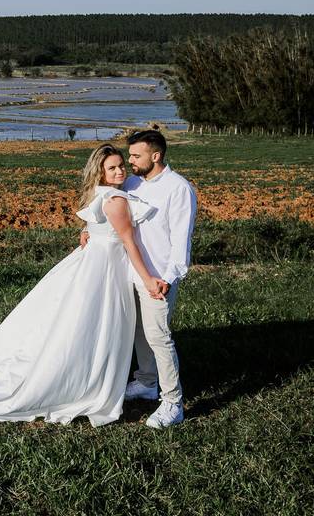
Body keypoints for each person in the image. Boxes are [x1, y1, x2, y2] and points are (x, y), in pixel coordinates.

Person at [0, 144, 167, 427]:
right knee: (97, 323)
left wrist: (88, 230)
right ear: (100, 173)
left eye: (120, 166)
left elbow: (98, 224)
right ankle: (80, 381)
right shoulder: (115, 200)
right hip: (105, 269)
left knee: (81, 323)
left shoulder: (103, 194)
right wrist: (147, 279)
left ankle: (83, 371)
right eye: (112, 168)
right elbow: (128, 243)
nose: (119, 171)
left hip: (95, 264)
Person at [85, 129, 197, 429]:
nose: (129, 162)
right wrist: (90, 231)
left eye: (135, 156)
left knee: (159, 337)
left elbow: (180, 241)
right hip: (128, 274)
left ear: (156, 156)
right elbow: (114, 215)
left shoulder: (178, 189)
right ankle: (147, 382)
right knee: (137, 331)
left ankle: (173, 403)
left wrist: (168, 279)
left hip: (157, 279)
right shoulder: (133, 182)